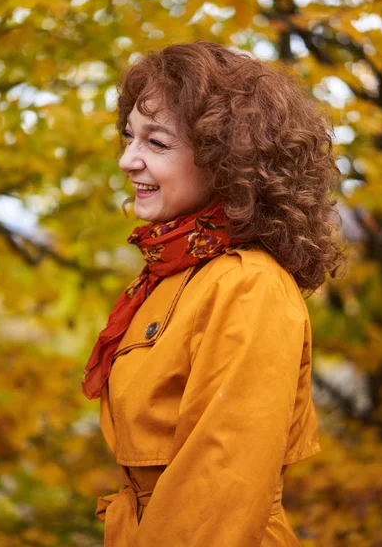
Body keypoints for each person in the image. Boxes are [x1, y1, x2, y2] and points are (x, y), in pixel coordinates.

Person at [82, 41, 346, 546]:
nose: (127, 161)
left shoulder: (249, 286)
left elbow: (216, 502)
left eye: (156, 144)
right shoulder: (174, 275)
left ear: (228, 161)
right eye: (129, 137)